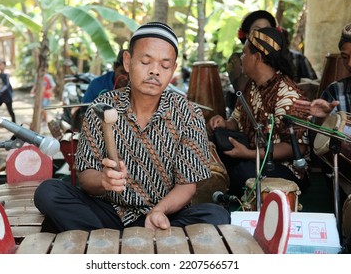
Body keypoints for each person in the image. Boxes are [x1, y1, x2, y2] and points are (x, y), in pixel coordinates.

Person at [34, 21, 231, 233]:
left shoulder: (188, 113)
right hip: (108, 213)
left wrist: (159, 211)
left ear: (173, 69)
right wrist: (103, 180)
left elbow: (187, 185)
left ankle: (109, 242)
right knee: (48, 192)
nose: (155, 71)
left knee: (217, 215)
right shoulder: (101, 108)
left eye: (165, 66)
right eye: (146, 62)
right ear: (128, 62)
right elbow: (85, 176)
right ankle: (121, 242)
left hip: (164, 216)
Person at [208, 27, 310, 198]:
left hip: (286, 170)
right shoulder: (252, 85)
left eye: (244, 53)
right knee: (210, 153)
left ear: (257, 58)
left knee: (240, 173)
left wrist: (248, 154)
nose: (241, 58)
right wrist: (225, 124)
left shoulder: (288, 95)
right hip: (253, 157)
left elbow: (296, 147)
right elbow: (237, 118)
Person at [294, 21, 351, 254]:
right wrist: (324, 120)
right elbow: (322, 144)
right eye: (345, 56)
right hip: (349, 178)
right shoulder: (335, 91)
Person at [225, 10, 277, 114]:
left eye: (266, 30)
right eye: (257, 30)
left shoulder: (279, 58)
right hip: (244, 115)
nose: (262, 35)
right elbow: (242, 90)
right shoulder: (237, 59)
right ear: (247, 34)